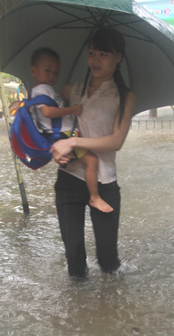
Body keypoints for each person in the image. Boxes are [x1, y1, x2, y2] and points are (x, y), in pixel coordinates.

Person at [50, 28, 136, 279]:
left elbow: (116, 141)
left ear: (118, 57)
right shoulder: (71, 90)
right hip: (68, 180)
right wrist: (28, 110)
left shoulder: (125, 96)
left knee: (108, 263)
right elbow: (52, 122)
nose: (95, 60)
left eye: (103, 54)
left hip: (104, 182)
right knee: (75, 264)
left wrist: (74, 142)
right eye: (91, 53)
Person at [30, 47, 114, 213]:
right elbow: (47, 112)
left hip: (63, 136)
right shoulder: (40, 90)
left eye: (56, 72)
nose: (52, 76)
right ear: (34, 71)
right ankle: (94, 197)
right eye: (47, 71)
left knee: (85, 159)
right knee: (92, 161)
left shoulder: (46, 90)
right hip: (62, 137)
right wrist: (72, 110)